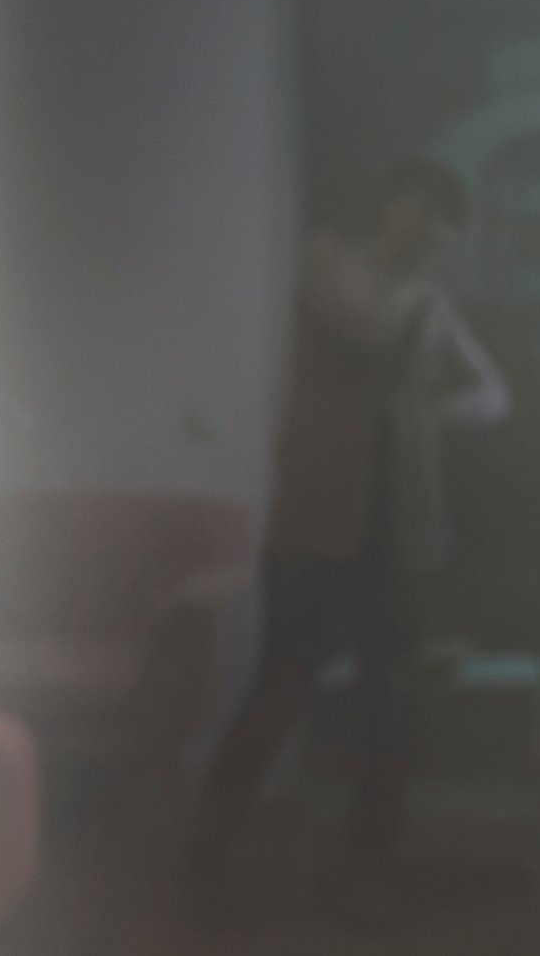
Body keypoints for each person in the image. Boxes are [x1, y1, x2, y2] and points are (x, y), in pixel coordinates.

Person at [183, 157, 512, 921]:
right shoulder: (331, 260)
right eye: (424, 212)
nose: (432, 231)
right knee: (284, 682)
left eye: (444, 222)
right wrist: (427, 299)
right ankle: (203, 850)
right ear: (392, 206)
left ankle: (372, 873)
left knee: (389, 702)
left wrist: (437, 415)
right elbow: (370, 333)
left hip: (399, 532)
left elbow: (495, 394)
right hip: (317, 523)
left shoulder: (426, 298)